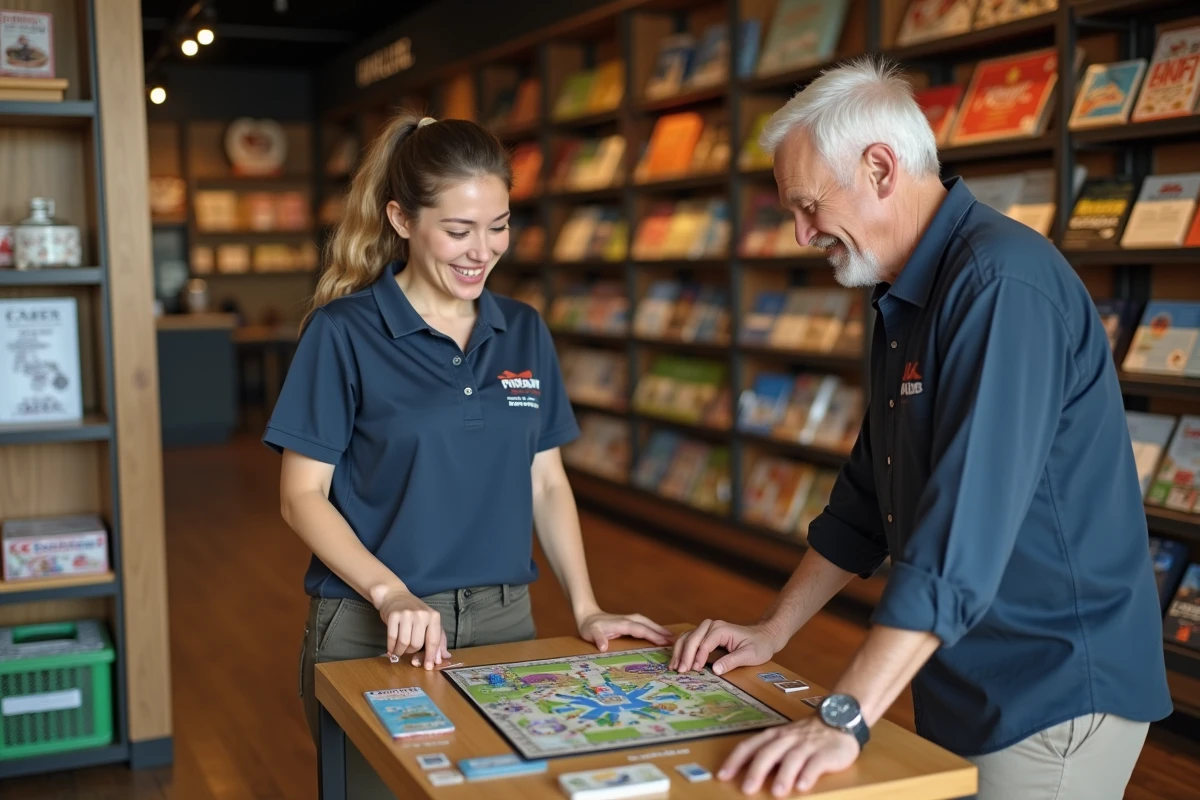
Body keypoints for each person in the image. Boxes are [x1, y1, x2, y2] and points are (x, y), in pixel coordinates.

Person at [670, 56, 1172, 799]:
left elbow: (962, 531)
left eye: (808, 205)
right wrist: (773, 628)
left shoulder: (1000, 286)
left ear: (879, 168)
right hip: (962, 667)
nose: (802, 234)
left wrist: (844, 716)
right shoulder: (902, 291)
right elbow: (867, 496)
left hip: (1052, 685)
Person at [263, 112, 673, 796]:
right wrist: (390, 592)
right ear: (401, 219)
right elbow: (300, 496)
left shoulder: (525, 330)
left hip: (507, 622)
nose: (482, 250)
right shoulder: (342, 333)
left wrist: (587, 606)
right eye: (458, 231)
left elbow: (546, 482)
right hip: (374, 626)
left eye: (498, 226)